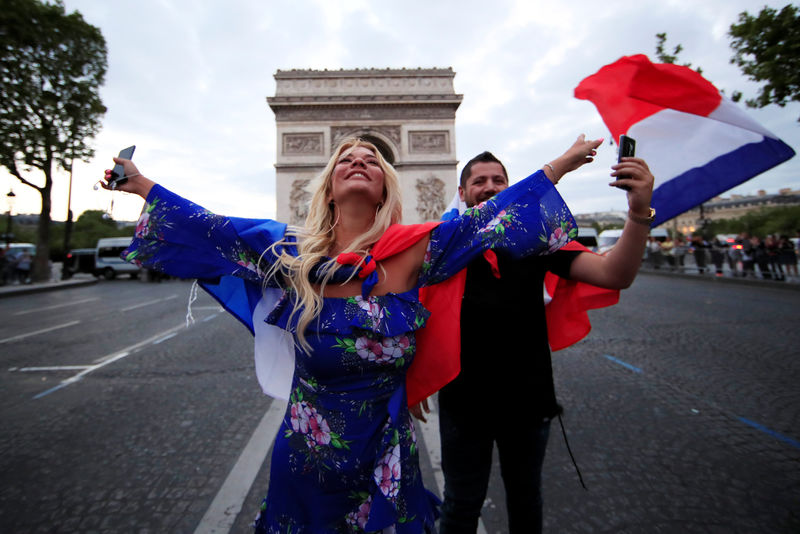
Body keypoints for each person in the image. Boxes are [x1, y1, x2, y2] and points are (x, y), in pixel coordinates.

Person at [100, 135, 600, 534]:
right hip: (307, 459)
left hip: (386, 456)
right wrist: (141, 183)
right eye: (345, 158)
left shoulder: (418, 250)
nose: (359, 161)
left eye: (373, 159)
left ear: (386, 186)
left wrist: (561, 164)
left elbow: (494, 217)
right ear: (327, 184)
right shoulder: (288, 253)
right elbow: (209, 228)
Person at [412, 148, 655, 534]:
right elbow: (416, 309)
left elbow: (615, 274)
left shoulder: (538, 238)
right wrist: (416, 372)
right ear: (461, 192)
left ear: (509, 187)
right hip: (464, 401)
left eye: (498, 181)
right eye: (479, 181)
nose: (490, 188)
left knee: (526, 501)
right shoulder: (446, 243)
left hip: (529, 398)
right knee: (461, 504)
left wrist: (639, 213)